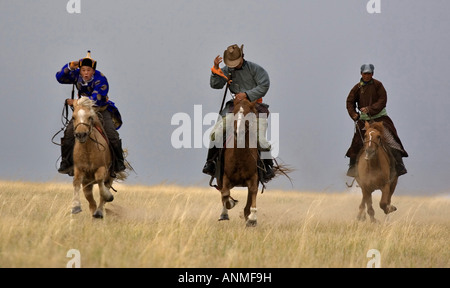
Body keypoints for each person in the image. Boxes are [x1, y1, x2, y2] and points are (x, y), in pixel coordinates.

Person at [202, 44, 275, 182]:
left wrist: (247, 94)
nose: (233, 65)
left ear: (242, 56)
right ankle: (210, 163)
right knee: (215, 134)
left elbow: (264, 85)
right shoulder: (227, 70)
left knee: (262, 140)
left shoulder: (256, 70)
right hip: (234, 108)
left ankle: (268, 167)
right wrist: (216, 70)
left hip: (256, 108)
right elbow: (216, 85)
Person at [55, 50, 126, 178]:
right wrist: (70, 66)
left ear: (93, 71)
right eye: (83, 70)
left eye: (88, 70)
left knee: (112, 135)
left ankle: (118, 163)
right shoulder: (76, 75)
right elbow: (60, 78)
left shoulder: (101, 79)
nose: (86, 73)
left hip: (100, 110)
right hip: (82, 111)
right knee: (69, 133)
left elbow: (96, 99)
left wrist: (76, 102)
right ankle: (66, 163)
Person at [345, 64, 408, 177]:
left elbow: (382, 100)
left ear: (372, 74)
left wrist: (369, 109)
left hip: (380, 119)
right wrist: (354, 114)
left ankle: (399, 165)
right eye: (365, 73)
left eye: (369, 73)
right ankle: (353, 168)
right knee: (356, 142)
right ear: (361, 74)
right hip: (364, 121)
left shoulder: (378, 85)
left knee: (391, 139)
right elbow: (350, 102)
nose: (367, 76)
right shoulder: (357, 87)